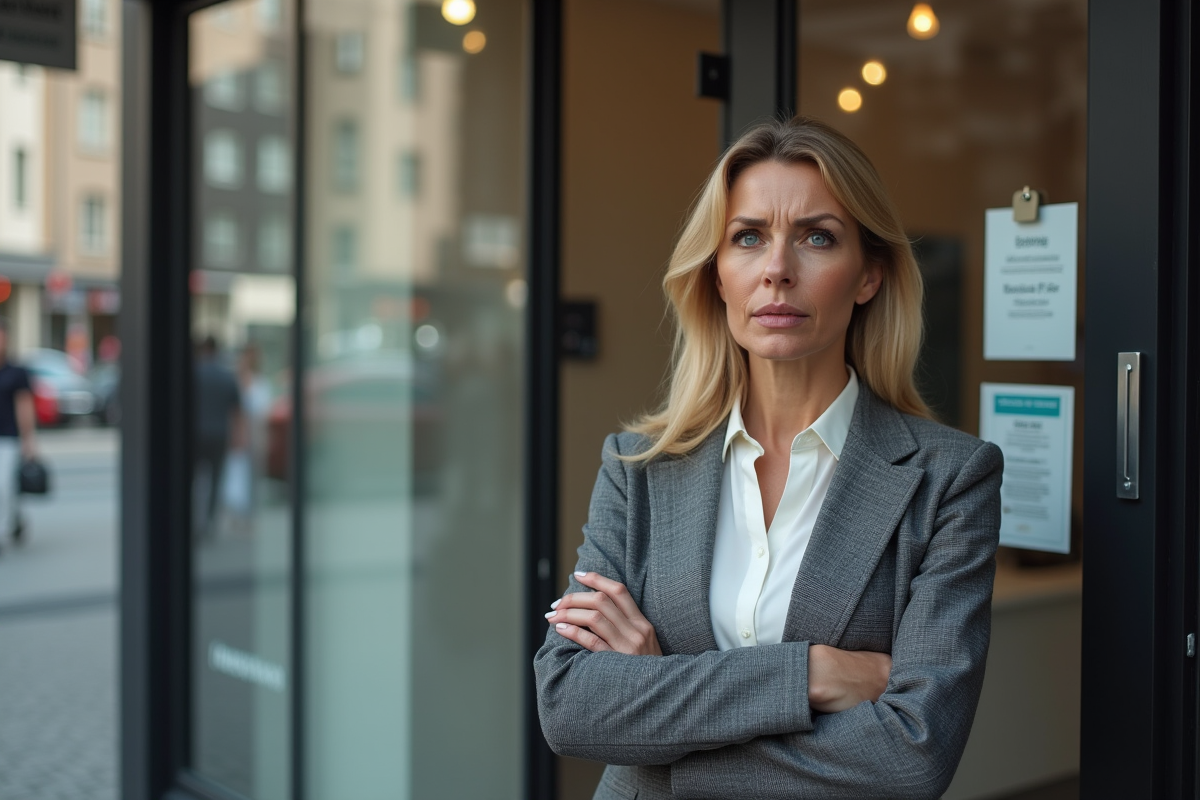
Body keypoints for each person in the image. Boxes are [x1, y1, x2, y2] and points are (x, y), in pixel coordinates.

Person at [534, 117, 1003, 800]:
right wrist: (809, 674)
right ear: (718, 276)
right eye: (748, 237)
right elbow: (570, 704)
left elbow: (912, 757)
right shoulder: (639, 468)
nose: (778, 269)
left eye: (818, 237)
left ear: (869, 275)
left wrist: (659, 715)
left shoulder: (949, 480)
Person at [193, 335, 243, 539]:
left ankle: (194, 520)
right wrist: (238, 436)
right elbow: (236, 411)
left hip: (196, 435)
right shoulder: (226, 376)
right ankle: (210, 523)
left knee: (195, 480)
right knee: (215, 480)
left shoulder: (194, 374)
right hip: (220, 434)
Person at [0, 318, 37, 552]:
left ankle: (2, 535)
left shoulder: (17, 371)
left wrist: (29, 439)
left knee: (3, 485)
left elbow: (24, 406)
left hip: (8, 437)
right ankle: (16, 519)